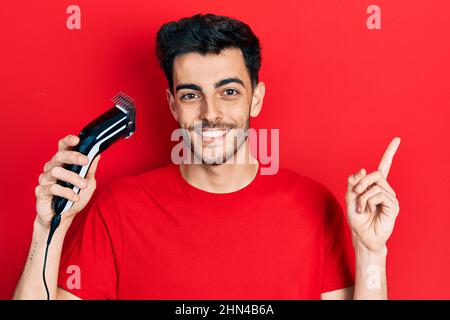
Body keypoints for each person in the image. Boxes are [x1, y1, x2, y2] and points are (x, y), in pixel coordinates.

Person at [13, 13, 400, 300]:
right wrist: (49, 228)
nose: (210, 113)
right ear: (172, 104)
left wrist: (371, 253)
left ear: (257, 97)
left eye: (228, 91)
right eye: (191, 94)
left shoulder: (314, 206)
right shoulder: (118, 210)